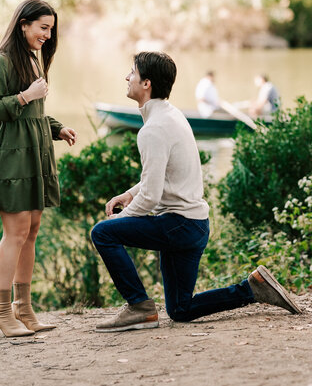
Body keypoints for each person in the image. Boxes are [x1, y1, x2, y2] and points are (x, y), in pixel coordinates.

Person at [91, 51, 301, 333]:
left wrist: (121, 219)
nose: (127, 77)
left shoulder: (152, 129)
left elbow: (152, 197)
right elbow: (164, 174)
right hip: (193, 225)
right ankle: (252, 289)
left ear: (146, 84)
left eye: (132, 72)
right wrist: (130, 194)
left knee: (103, 233)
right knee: (180, 309)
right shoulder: (171, 115)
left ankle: (139, 307)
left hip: (178, 225)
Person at [0, 0, 77, 338]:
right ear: (23, 25)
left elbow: (35, 113)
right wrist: (25, 96)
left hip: (36, 152)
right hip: (12, 156)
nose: (48, 35)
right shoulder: (0, 62)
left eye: (51, 29)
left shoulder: (32, 61)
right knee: (14, 233)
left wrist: (56, 128)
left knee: (31, 231)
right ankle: (0, 310)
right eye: (43, 27)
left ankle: (23, 307)